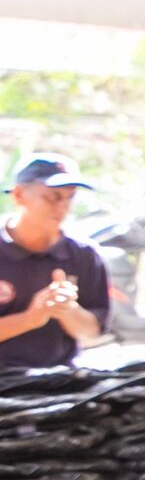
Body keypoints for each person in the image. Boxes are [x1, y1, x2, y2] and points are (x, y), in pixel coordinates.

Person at [0, 155, 109, 369]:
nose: (63, 206)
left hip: (60, 379)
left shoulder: (84, 254)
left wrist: (67, 309)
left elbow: (93, 331)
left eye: (70, 197)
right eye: (53, 196)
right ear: (19, 195)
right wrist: (29, 319)